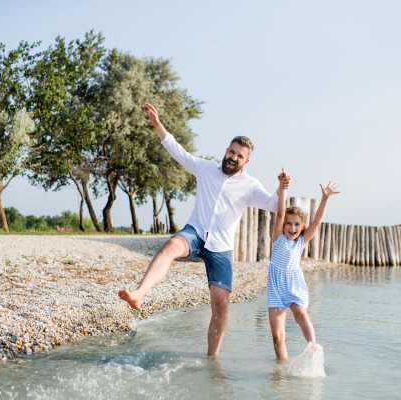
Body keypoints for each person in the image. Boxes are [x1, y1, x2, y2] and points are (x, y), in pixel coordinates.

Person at [118, 103, 291, 355]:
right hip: (196, 232)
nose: (233, 157)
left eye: (239, 156)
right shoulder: (205, 168)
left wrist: (283, 188)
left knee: (221, 308)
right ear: (226, 150)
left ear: (246, 161)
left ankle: (212, 360)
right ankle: (138, 294)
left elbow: (276, 206)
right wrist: (157, 124)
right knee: (171, 246)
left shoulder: (250, 186)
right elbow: (177, 150)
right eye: (231, 151)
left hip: (221, 246)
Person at [267, 168, 339, 359]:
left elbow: (316, 221)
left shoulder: (301, 241)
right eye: (289, 224)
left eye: (297, 224)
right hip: (276, 286)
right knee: (277, 335)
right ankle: (281, 370)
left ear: (302, 227)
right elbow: (281, 212)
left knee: (301, 315)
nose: (292, 227)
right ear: (283, 226)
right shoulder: (277, 238)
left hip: (294, 282)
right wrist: (282, 188)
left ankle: (313, 347)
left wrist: (325, 199)